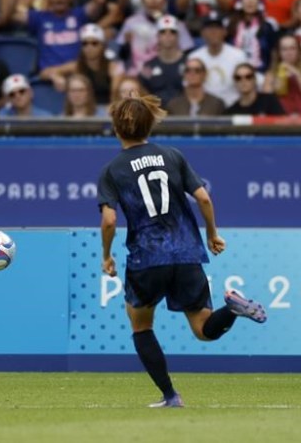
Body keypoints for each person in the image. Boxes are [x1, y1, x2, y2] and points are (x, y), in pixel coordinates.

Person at [97, 93, 266, 408]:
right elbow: (203, 197)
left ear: (117, 129)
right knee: (203, 330)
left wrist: (106, 255)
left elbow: (108, 220)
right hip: (187, 252)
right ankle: (231, 309)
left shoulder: (112, 170)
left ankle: (171, 396)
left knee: (141, 324)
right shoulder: (172, 155)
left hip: (147, 256)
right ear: (150, 125)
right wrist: (213, 234)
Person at [188, 12, 248, 106]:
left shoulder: (238, 56)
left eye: (217, 27)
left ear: (225, 32)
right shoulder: (194, 57)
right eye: (209, 28)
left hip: (232, 108)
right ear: (202, 33)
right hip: (205, 110)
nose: (214, 31)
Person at [139, 14, 187, 106]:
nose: (167, 35)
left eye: (172, 32)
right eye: (163, 32)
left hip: (183, 114)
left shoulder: (188, 64)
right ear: (157, 36)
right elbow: (144, 93)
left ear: (178, 36)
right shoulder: (148, 66)